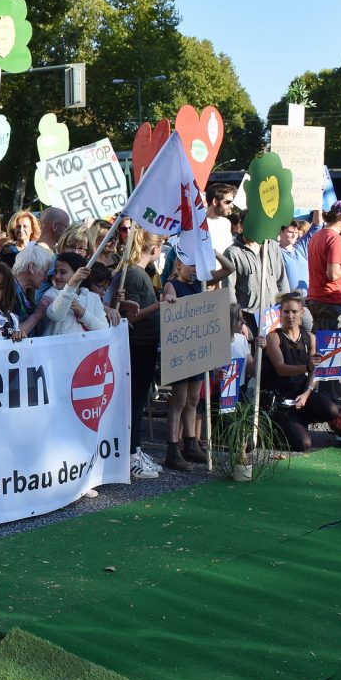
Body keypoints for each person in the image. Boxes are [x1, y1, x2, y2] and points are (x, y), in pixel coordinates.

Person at [160, 251, 236, 471]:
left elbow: (230, 269)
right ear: (179, 264)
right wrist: (170, 300)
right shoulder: (172, 284)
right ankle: (173, 449)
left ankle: (191, 444)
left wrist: (212, 253)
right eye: (191, 266)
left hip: (198, 348)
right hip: (181, 349)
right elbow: (168, 296)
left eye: (197, 266)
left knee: (194, 399)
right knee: (179, 401)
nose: (194, 270)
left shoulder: (202, 283)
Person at [260, 291, 338, 451]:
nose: (290, 316)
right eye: (286, 312)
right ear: (280, 313)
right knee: (303, 444)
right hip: (282, 401)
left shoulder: (310, 338)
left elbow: (315, 371)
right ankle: (279, 427)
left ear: (302, 312)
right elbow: (281, 369)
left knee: (332, 410)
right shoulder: (273, 337)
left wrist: (306, 394)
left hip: (301, 395)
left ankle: (302, 420)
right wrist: (307, 367)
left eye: (294, 311)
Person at [116, 229, 165, 480]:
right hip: (137, 344)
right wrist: (160, 304)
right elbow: (131, 315)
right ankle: (131, 453)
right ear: (154, 249)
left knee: (137, 401)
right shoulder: (135, 274)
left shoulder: (139, 273)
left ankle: (135, 449)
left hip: (145, 343)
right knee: (134, 402)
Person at [307, 201, 341, 335]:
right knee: (338, 352)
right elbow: (332, 274)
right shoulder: (336, 239)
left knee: (320, 351)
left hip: (316, 300)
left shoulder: (317, 236)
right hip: (332, 303)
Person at [38, 252, 109, 336]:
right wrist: (72, 284)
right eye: (56, 272)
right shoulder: (51, 293)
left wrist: (82, 312)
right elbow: (56, 315)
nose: (57, 276)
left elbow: (104, 329)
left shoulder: (93, 297)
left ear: (80, 274)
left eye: (63, 272)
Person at [204, 183, 237, 254]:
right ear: (215, 201)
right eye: (228, 202)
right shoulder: (198, 224)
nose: (232, 206)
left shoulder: (226, 223)